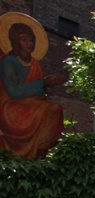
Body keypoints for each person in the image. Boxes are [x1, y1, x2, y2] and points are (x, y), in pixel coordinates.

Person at [0, 19, 66, 159]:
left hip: (31, 104)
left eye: (31, 40)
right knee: (51, 109)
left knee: (54, 110)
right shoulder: (8, 61)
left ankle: (40, 155)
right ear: (15, 41)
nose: (28, 43)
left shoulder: (35, 63)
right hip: (9, 107)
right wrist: (44, 83)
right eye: (24, 40)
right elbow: (13, 90)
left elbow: (40, 95)